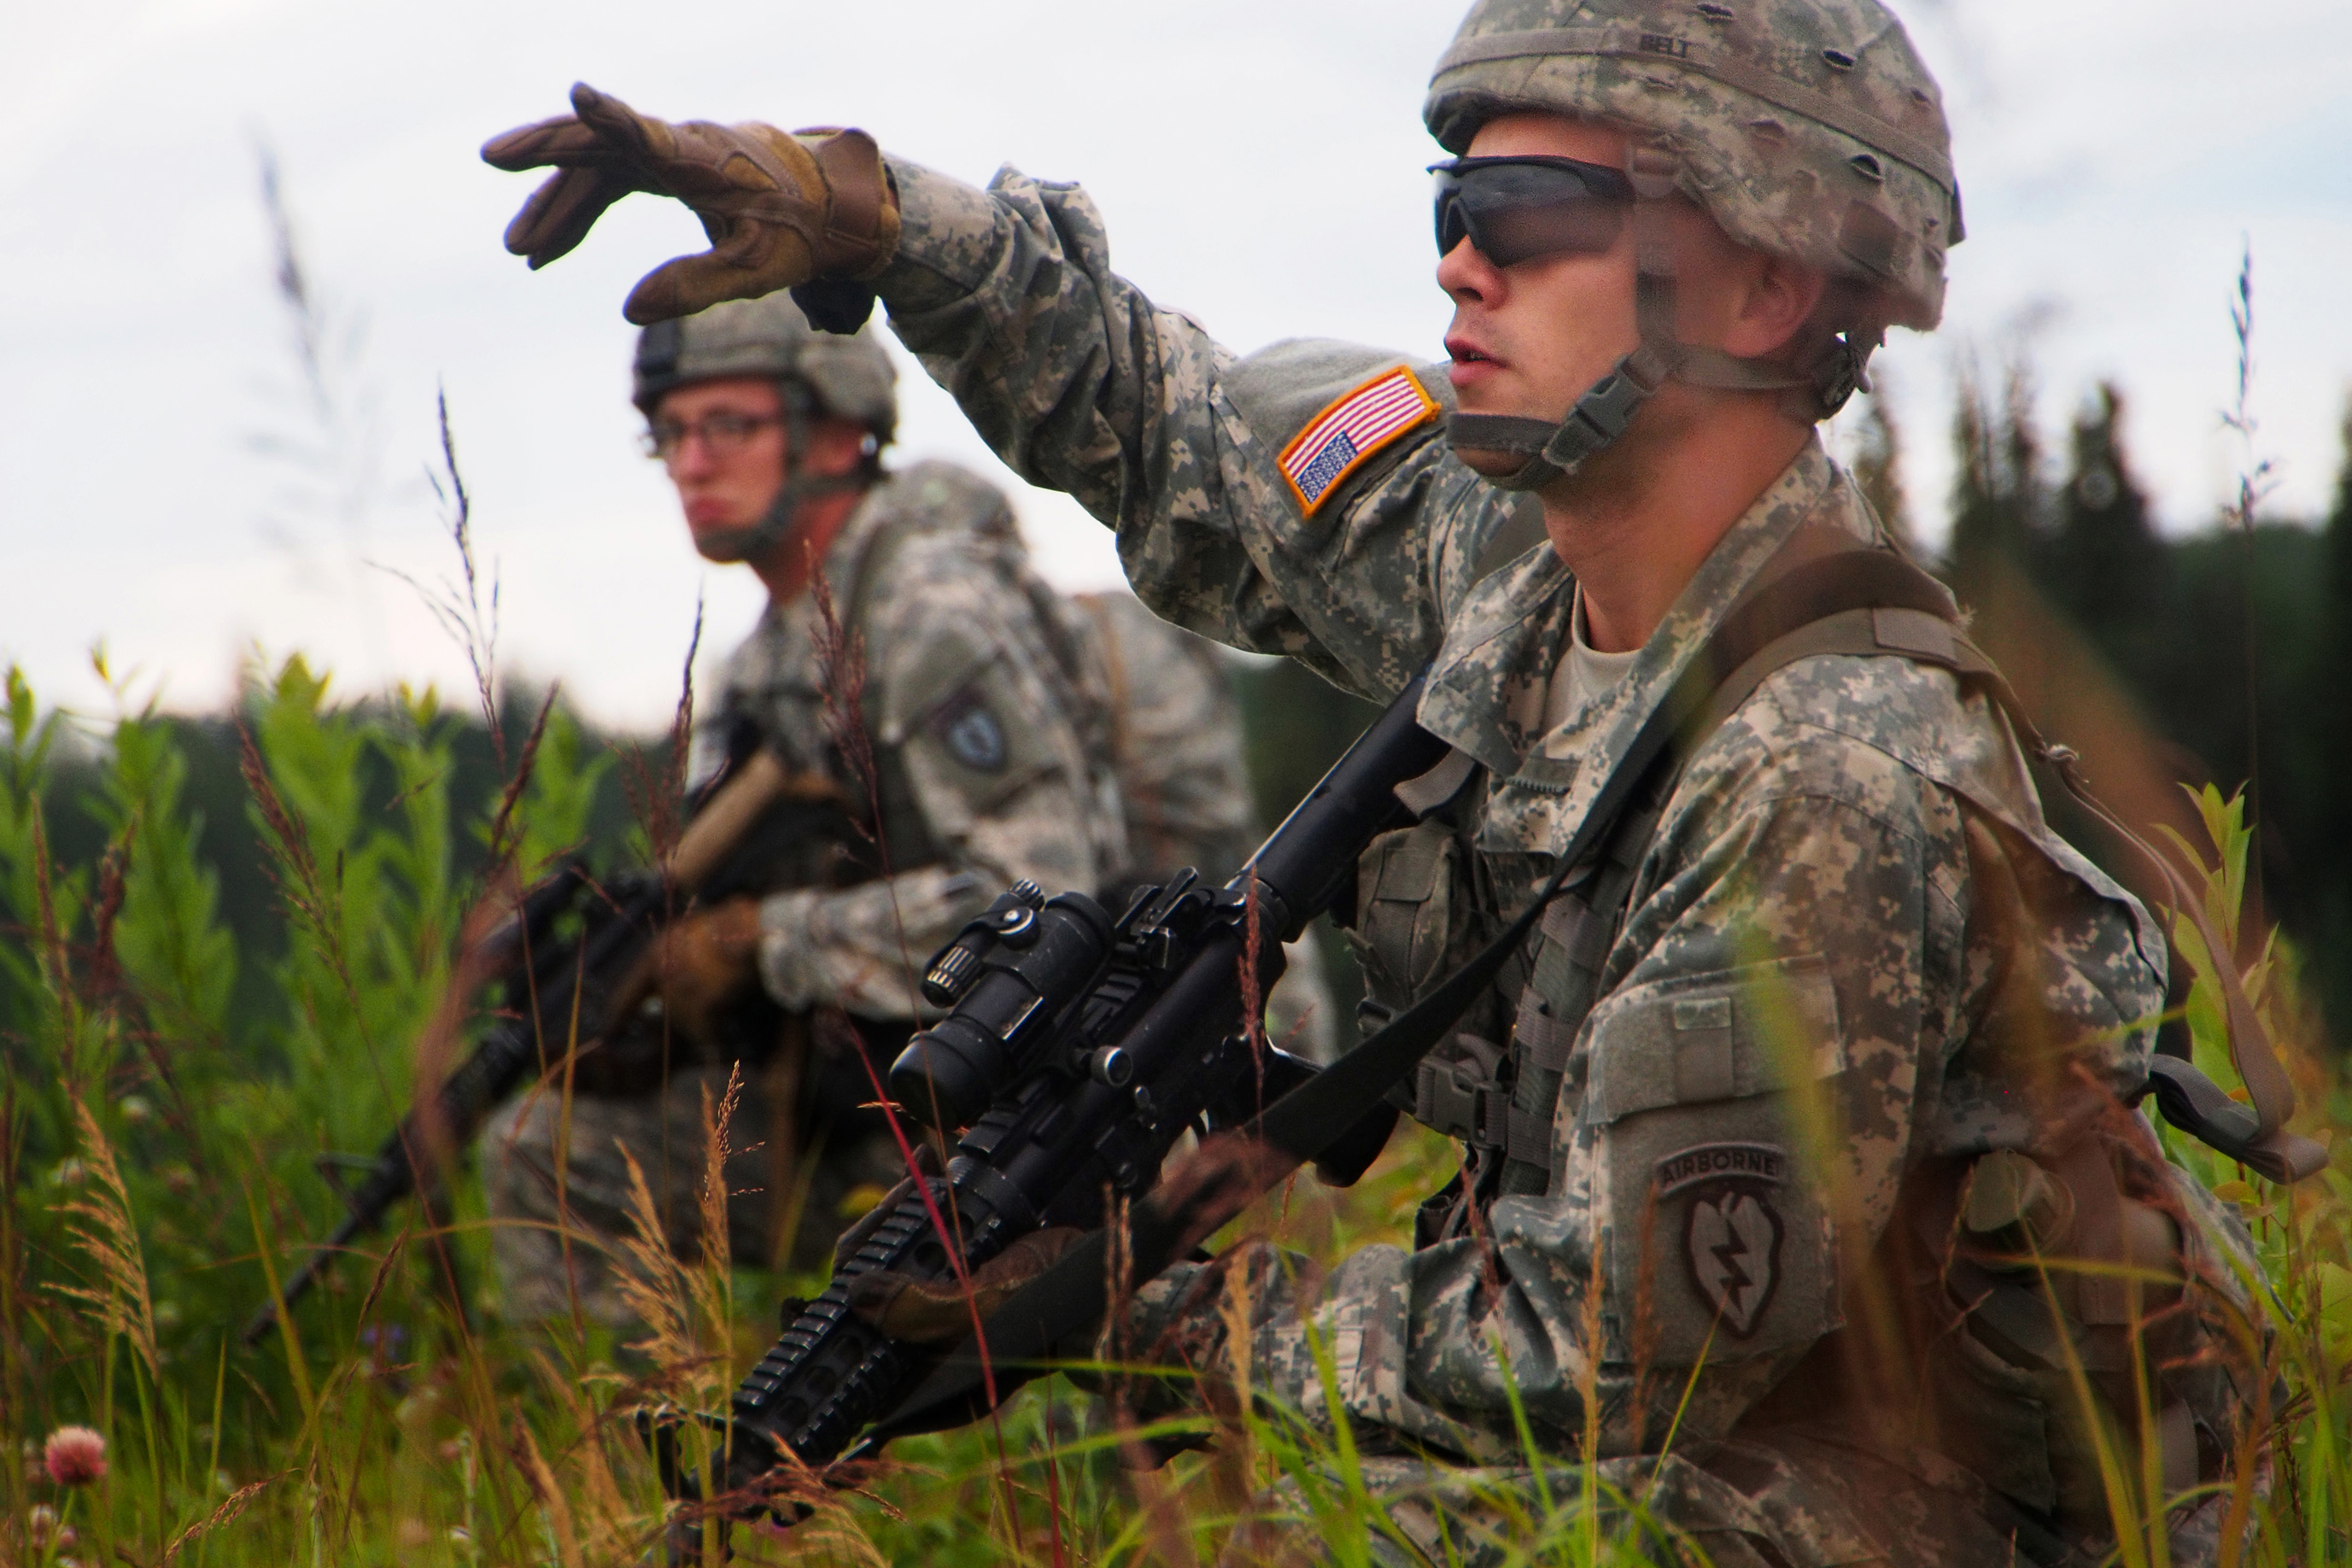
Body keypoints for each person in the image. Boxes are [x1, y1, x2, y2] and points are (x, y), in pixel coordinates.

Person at [481, 3, 2281, 1561]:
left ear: (1763, 276)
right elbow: (1161, 413)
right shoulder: (1504, 551)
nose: (1456, 264)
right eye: (1450, 206)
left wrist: (1163, 1320)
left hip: (1937, 1499)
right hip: (1728, 1429)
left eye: (1523, 212)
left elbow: (1611, 1347)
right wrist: (867, 212)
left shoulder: (1821, 766)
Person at [481, 295, 1130, 1322]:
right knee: (545, 1155)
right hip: (858, 1100)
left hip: (1026, 1118)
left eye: (728, 425)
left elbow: (1043, 903)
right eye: (671, 434)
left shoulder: (929, 611)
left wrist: (765, 942)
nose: (691, 464)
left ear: (835, 431)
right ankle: (664, 1468)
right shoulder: (763, 665)